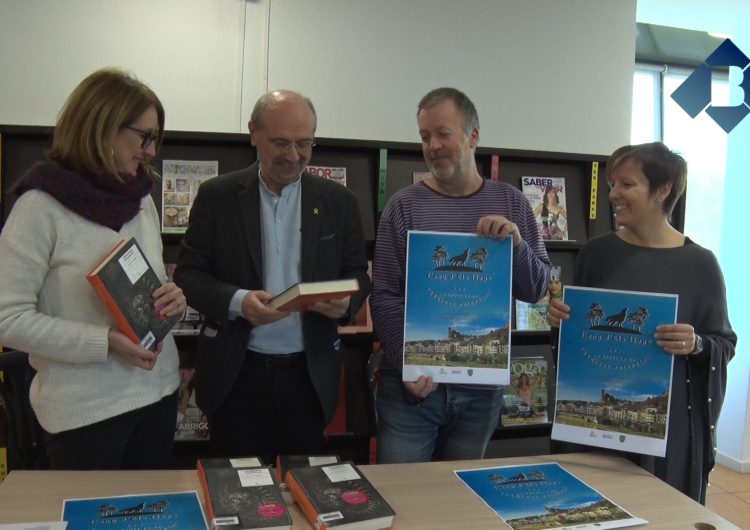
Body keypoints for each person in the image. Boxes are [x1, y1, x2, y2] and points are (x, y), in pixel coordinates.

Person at [0, 68, 186, 469]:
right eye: (145, 137)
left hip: (158, 396)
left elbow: (147, 286)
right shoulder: (39, 208)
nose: (152, 151)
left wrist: (174, 299)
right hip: (86, 415)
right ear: (102, 127)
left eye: (156, 138)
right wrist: (104, 342)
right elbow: (7, 317)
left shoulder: (142, 200)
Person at [174, 90, 370, 465]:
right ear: (253, 133)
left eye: (304, 143)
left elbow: (358, 272)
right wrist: (238, 302)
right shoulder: (218, 196)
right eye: (280, 142)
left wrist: (347, 303)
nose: (293, 156)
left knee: (305, 486)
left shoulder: (337, 202)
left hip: (308, 377)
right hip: (237, 374)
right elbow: (189, 275)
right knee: (237, 491)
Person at [547, 142, 736, 504]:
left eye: (626, 185)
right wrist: (560, 322)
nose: (614, 194)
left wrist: (695, 344)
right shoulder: (595, 253)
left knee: (659, 513)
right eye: (612, 185)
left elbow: (723, 344)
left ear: (662, 190)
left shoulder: (701, 265)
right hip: (592, 431)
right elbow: (574, 341)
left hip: (665, 433)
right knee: (585, 509)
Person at [371, 87, 551, 463]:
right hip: (412, 391)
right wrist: (408, 364)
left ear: (473, 136)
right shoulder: (403, 206)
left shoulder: (511, 203)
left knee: (459, 501)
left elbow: (537, 290)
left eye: (442, 133)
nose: (432, 145)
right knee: (405, 499)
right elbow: (385, 294)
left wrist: (516, 245)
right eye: (424, 137)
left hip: (480, 391)